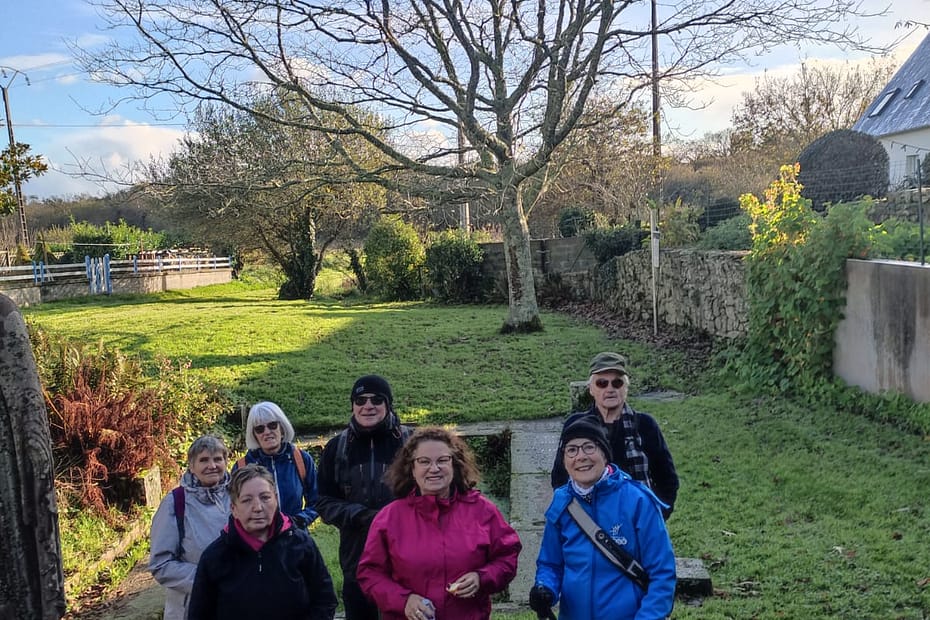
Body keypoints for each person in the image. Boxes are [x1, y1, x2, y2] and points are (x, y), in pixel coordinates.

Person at [357, 426, 522, 620]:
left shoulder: (483, 511)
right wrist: (404, 601)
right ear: (411, 468)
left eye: (443, 460)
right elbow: (370, 573)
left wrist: (482, 578)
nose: (434, 468)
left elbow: (507, 558)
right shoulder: (389, 518)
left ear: (455, 464)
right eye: (424, 461)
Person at [532, 417, 676, 619]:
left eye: (589, 447)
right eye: (571, 450)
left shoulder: (638, 501)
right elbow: (550, 563)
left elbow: (662, 573)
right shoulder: (561, 503)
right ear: (564, 460)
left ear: (604, 454)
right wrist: (545, 587)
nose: (580, 457)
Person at [315, 374, 411, 620]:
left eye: (376, 400)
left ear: (388, 404)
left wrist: (396, 517)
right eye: (360, 400)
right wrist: (360, 516)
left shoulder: (411, 443)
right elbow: (323, 501)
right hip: (357, 556)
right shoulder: (337, 447)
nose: (368, 406)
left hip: (407, 552)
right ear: (352, 405)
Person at [187, 464, 338, 619]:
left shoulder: (301, 545)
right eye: (247, 500)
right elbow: (199, 614)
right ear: (233, 508)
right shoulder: (215, 557)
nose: (258, 507)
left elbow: (325, 600)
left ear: (276, 500)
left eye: (265, 497)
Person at [551, 351, 679, 519]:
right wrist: (576, 519)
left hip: (639, 520)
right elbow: (560, 478)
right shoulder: (576, 425)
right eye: (602, 383)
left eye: (617, 383)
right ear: (591, 389)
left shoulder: (645, 425)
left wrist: (656, 517)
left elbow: (667, 479)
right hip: (588, 522)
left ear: (626, 388)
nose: (610, 389)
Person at [148, 435, 231, 620]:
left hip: (235, 600)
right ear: (191, 467)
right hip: (192, 605)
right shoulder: (175, 503)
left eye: (218, 459)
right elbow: (161, 564)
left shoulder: (239, 495)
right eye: (204, 460)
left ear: (226, 462)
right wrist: (206, 579)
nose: (212, 465)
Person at [233, 400, 319, 528]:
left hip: (294, 534)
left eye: (272, 425)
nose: (267, 432)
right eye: (260, 429)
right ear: (254, 435)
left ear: (282, 428)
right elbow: (234, 508)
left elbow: (317, 500)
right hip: (257, 536)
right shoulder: (242, 466)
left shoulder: (300, 459)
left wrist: (298, 521)